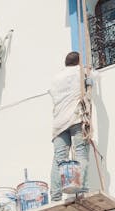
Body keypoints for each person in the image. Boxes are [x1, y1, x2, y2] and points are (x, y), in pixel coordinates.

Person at [50, 51, 90, 201]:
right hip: (76, 117)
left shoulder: (55, 78)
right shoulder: (81, 72)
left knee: (59, 159)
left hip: (58, 123)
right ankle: (82, 190)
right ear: (78, 62)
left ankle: (55, 195)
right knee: (81, 152)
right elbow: (95, 77)